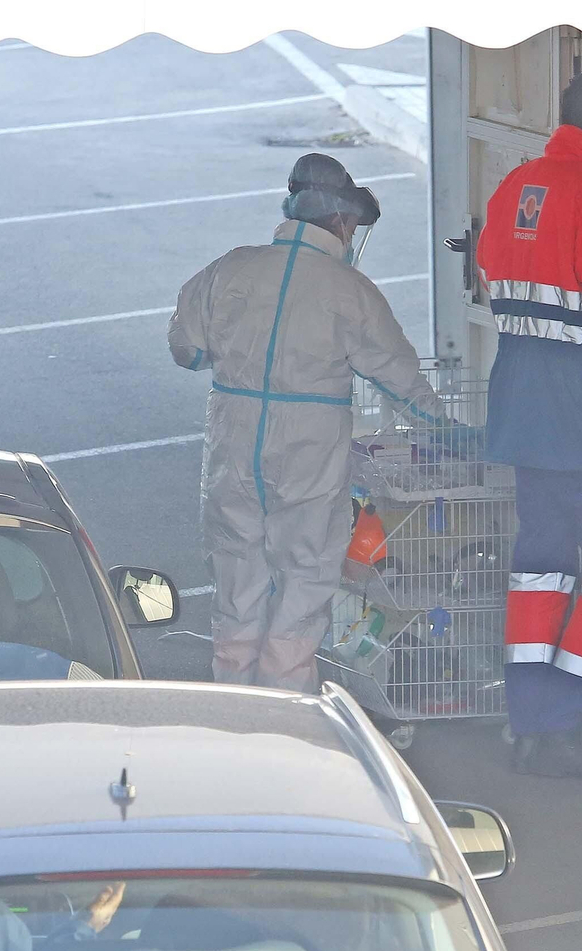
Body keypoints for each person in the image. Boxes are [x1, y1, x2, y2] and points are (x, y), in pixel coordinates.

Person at [168, 153, 443, 692]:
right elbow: (401, 382)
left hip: (234, 433)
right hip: (310, 447)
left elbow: (186, 350)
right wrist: (447, 430)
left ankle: (230, 709)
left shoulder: (229, 268)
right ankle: (286, 714)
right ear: (342, 221)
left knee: (236, 572)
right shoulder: (352, 291)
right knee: (306, 575)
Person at [474, 66, 582, 781]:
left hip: (523, 406)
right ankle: (567, 719)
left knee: (536, 567)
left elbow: (486, 269)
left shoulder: (518, 182)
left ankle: (528, 720)